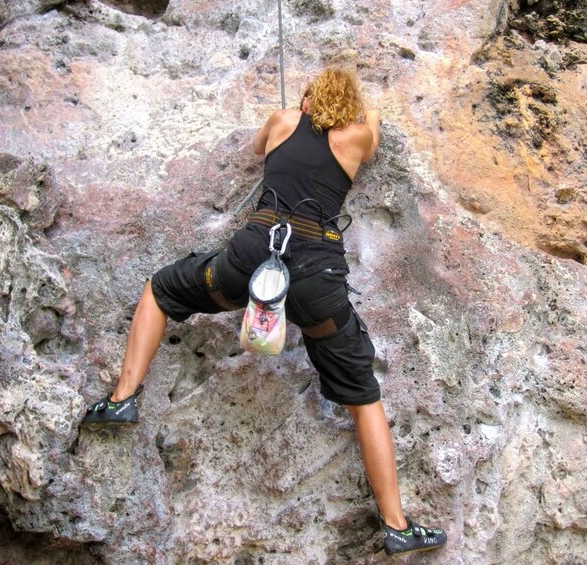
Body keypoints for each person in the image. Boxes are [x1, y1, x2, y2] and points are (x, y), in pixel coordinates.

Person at [81, 68, 447, 556]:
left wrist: (295, 114)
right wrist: (352, 109)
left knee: (162, 289)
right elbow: (375, 122)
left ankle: (123, 398)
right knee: (362, 396)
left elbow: (259, 149)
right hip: (318, 276)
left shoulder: (282, 119)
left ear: (309, 100)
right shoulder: (358, 135)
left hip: (255, 257)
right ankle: (396, 524)